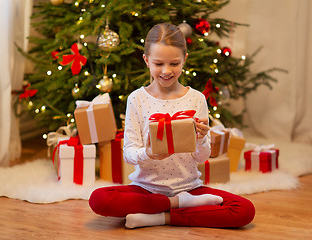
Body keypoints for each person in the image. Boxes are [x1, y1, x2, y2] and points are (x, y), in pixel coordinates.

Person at [89, 23, 255, 229]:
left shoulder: (196, 99)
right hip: (146, 189)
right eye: (158, 64)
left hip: (189, 188)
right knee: (99, 199)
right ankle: (176, 205)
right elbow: (129, 153)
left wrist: (202, 138)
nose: (166, 71)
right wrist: (148, 153)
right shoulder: (137, 99)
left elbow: (202, 157)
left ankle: (160, 217)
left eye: (174, 63)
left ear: (185, 59)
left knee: (243, 209)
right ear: (146, 60)